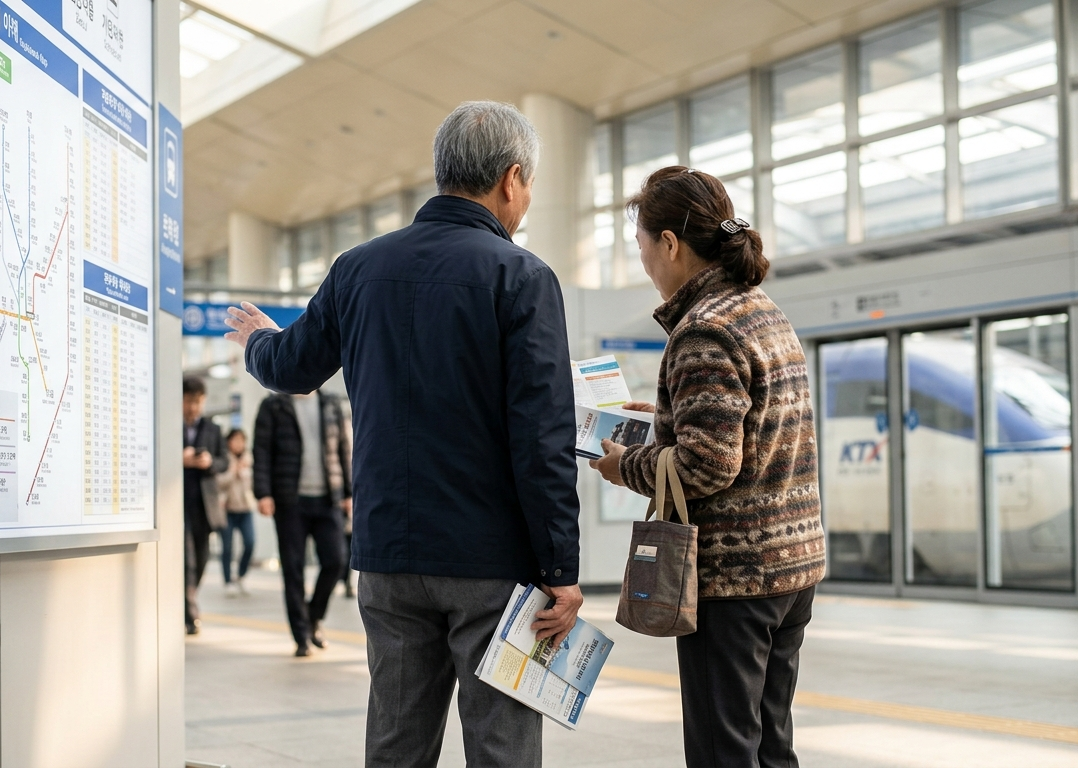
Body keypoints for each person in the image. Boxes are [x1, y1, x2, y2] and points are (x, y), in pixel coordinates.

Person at [225, 101, 583, 768]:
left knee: (395, 745)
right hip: (491, 563)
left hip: (389, 556)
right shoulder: (522, 277)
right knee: (502, 748)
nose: (527, 199)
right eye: (529, 185)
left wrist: (256, 341)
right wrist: (561, 567)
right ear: (511, 179)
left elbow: (289, 367)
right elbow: (543, 437)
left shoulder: (357, 269)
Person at [588, 166, 826, 768]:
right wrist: (663, 418)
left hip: (735, 579)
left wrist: (626, 466)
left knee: (724, 752)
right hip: (791, 568)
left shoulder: (704, 329)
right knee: (772, 748)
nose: (643, 261)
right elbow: (749, 425)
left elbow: (706, 463)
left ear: (669, 243)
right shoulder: (759, 310)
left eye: (642, 245)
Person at [251, 389, 353, 657]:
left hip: (328, 498)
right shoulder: (274, 405)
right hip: (289, 501)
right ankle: (301, 636)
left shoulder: (331, 404)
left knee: (336, 561)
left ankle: (313, 617)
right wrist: (263, 492)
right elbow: (261, 450)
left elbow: (344, 446)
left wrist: (350, 492)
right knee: (293, 570)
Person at [183, 375, 229, 636]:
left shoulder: (212, 428)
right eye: (189, 401)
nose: (193, 407)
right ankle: (190, 613)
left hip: (205, 503)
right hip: (177, 503)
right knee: (187, 559)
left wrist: (209, 462)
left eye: (198, 402)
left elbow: (225, 461)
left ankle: (188, 598)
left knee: (201, 557)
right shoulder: (169, 426)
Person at [216, 428, 256, 597]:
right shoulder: (224, 460)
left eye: (242, 440)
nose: (239, 443)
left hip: (245, 509)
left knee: (250, 542)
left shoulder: (250, 459)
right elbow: (218, 483)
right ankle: (227, 581)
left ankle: (240, 575)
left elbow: (254, 483)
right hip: (227, 510)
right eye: (235, 440)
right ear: (228, 442)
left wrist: (244, 472)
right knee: (227, 548)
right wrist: (233, 472)